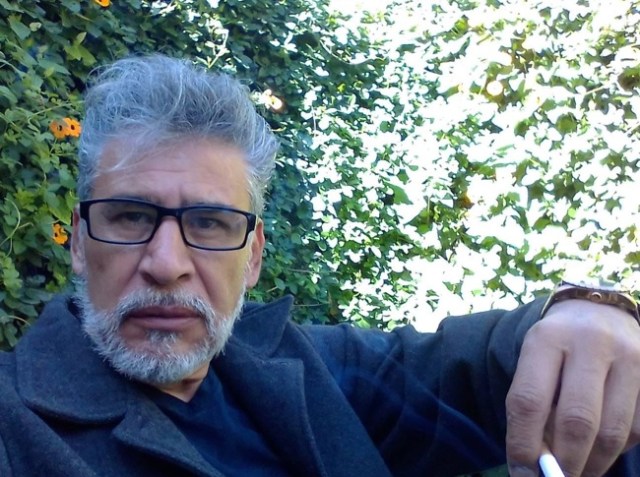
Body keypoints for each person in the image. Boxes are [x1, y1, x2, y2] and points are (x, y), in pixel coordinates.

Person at [0, 54, 638, 477]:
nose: (167, 264)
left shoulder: (321, 371)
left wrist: (587, 316)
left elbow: (471, 369)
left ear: (253, 256)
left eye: (210, 223)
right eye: (130, 217)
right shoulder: (15, 422)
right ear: (79, 241)